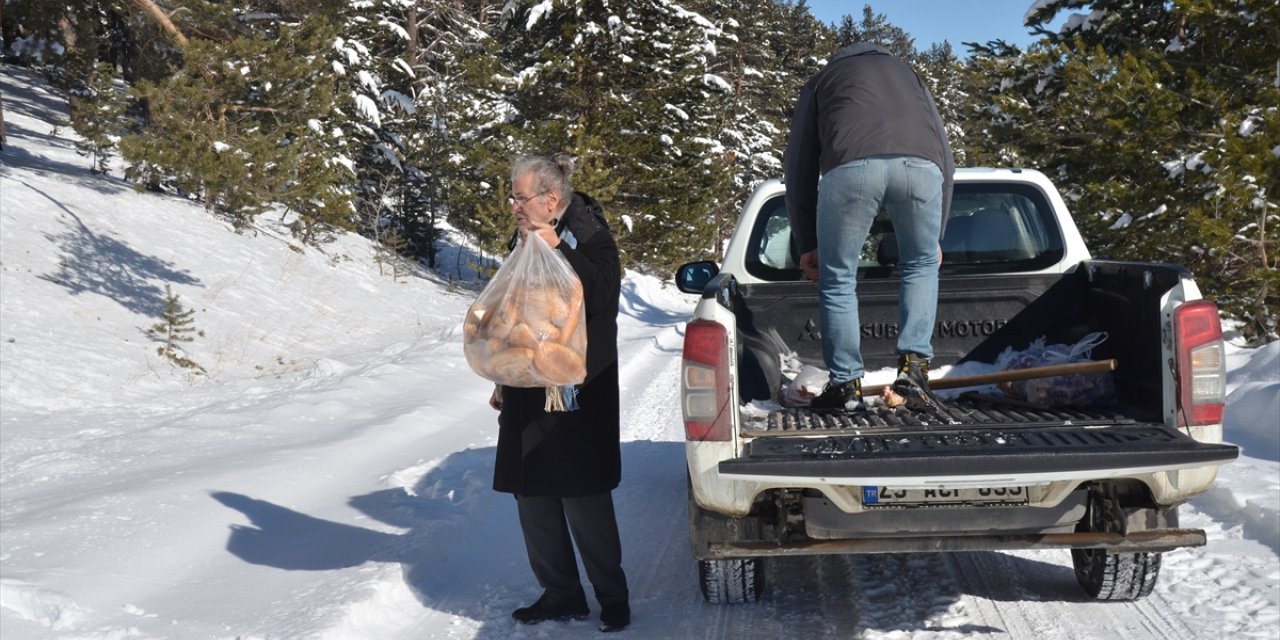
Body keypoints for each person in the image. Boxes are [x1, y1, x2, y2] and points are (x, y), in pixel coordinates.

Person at [487, 153, 630, 633]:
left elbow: (604, 291)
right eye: (512, 196)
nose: (514, 206)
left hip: (577, 386)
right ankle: (560, 593)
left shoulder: (587, 230)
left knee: (582, 492)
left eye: (520, 197)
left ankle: (612, 597)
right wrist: (502, 375)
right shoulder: (525, 235)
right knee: (532, 492)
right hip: (528, 381)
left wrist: (560, 247)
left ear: (551, 198)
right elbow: (514, 308)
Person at [784, 43, 956, 412]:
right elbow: (945, 153)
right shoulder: (911, 76)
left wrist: (807, 243)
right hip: (922, 170)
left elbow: (799, 166)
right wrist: (936, 236)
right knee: (922, 264)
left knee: (838, 276)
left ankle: (846, 385)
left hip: (850, 168)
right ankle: (914, 373)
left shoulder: (822, 79)